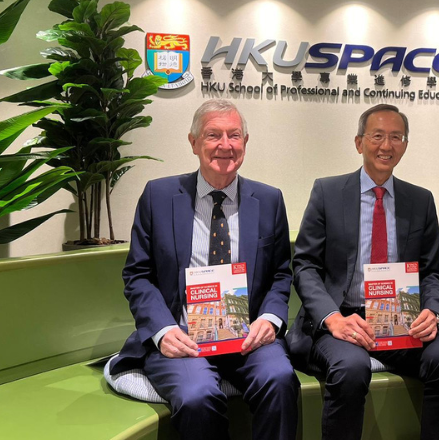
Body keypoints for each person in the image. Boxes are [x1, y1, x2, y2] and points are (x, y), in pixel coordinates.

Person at [109, 99, 299, 440]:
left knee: (281, 381)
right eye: (213, 135)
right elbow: (137, 275)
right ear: (194, 142)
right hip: (183, 337)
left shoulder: (269, 199)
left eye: (234, 135)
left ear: (245, 142)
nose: (225, 145)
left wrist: (270, 319)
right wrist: (163, 330)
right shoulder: (159, 195)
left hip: (248, 337)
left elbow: (281, 273)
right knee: (197, 396)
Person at [286, 104, 439, 440]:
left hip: (402, 319)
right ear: (359, 142)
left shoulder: (420, 200)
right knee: (351, 369)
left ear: (405, 144)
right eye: (377, 136)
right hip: (343, 321)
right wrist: (332, 319)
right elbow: (305, 265)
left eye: (396, 137)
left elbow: (431, 273)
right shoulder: (328, 192)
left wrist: (433, 311)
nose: (387, 146)